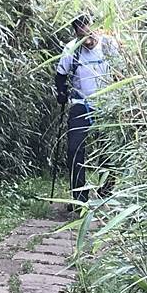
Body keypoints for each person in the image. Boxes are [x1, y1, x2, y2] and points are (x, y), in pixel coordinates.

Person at [54, 13, 120, 211]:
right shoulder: (71, 49)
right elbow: (60, 75)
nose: (89, 41)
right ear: (77, 34)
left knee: (108, 151)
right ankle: (79, 198)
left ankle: (105, 192)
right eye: (84, 38)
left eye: (91, 36)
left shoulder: (109, 46)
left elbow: (120, 72)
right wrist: (61, 93)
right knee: (74, 149)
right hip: (80, 104)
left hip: (107, 104)